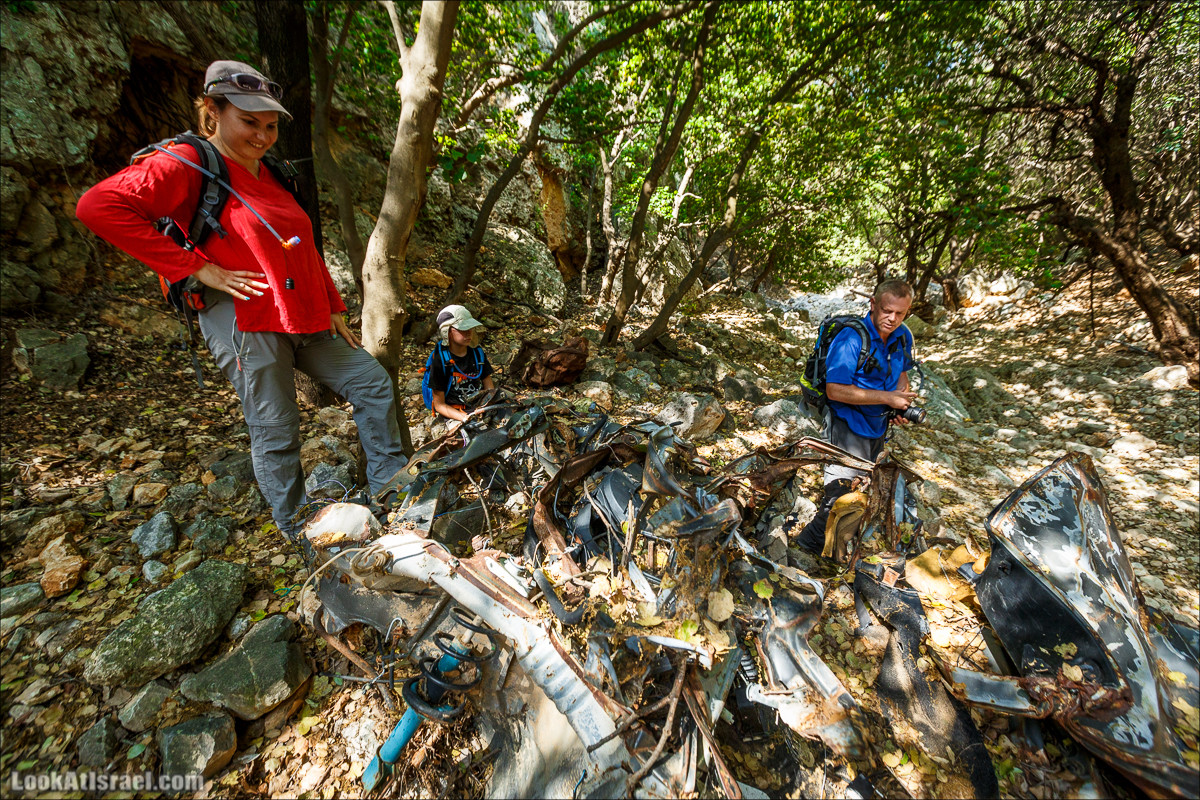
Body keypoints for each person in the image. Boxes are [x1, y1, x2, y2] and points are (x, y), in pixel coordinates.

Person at [76, 60, 407, 541]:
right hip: (244, 318)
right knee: (277, 426)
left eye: (270, 125)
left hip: (304, 313)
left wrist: (333, 303)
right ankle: (301, 531)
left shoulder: (275, 172)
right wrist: (195, 267)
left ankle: (395, 496)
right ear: (213, 110)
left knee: (371, 383)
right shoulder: (188, 162)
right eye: (249, 121)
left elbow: (303, 247)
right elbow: (98, 206)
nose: (262, 134)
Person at [795, 279, 917, 554]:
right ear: (873, 304)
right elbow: (835, 390)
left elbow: (901, 374)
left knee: (863, 489)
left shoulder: (903, 335)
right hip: (846, 424)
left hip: (877, 426)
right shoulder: (852, 338)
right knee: (840, 493)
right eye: (887, 311)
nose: (892, 319)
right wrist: (888, 398)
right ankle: (805, 550)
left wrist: (900, 403)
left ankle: (836, 547)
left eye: (900, 313)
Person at [427, 304, 495, 424]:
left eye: (470, 328)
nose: (469, 332)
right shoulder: (440, 361)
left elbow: (489, 388)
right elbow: (439, 405)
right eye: (463, 329)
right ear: (447, 332)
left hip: (480, 407)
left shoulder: (477, 354)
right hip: (454, 413)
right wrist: (464, 418)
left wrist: (489, 405)